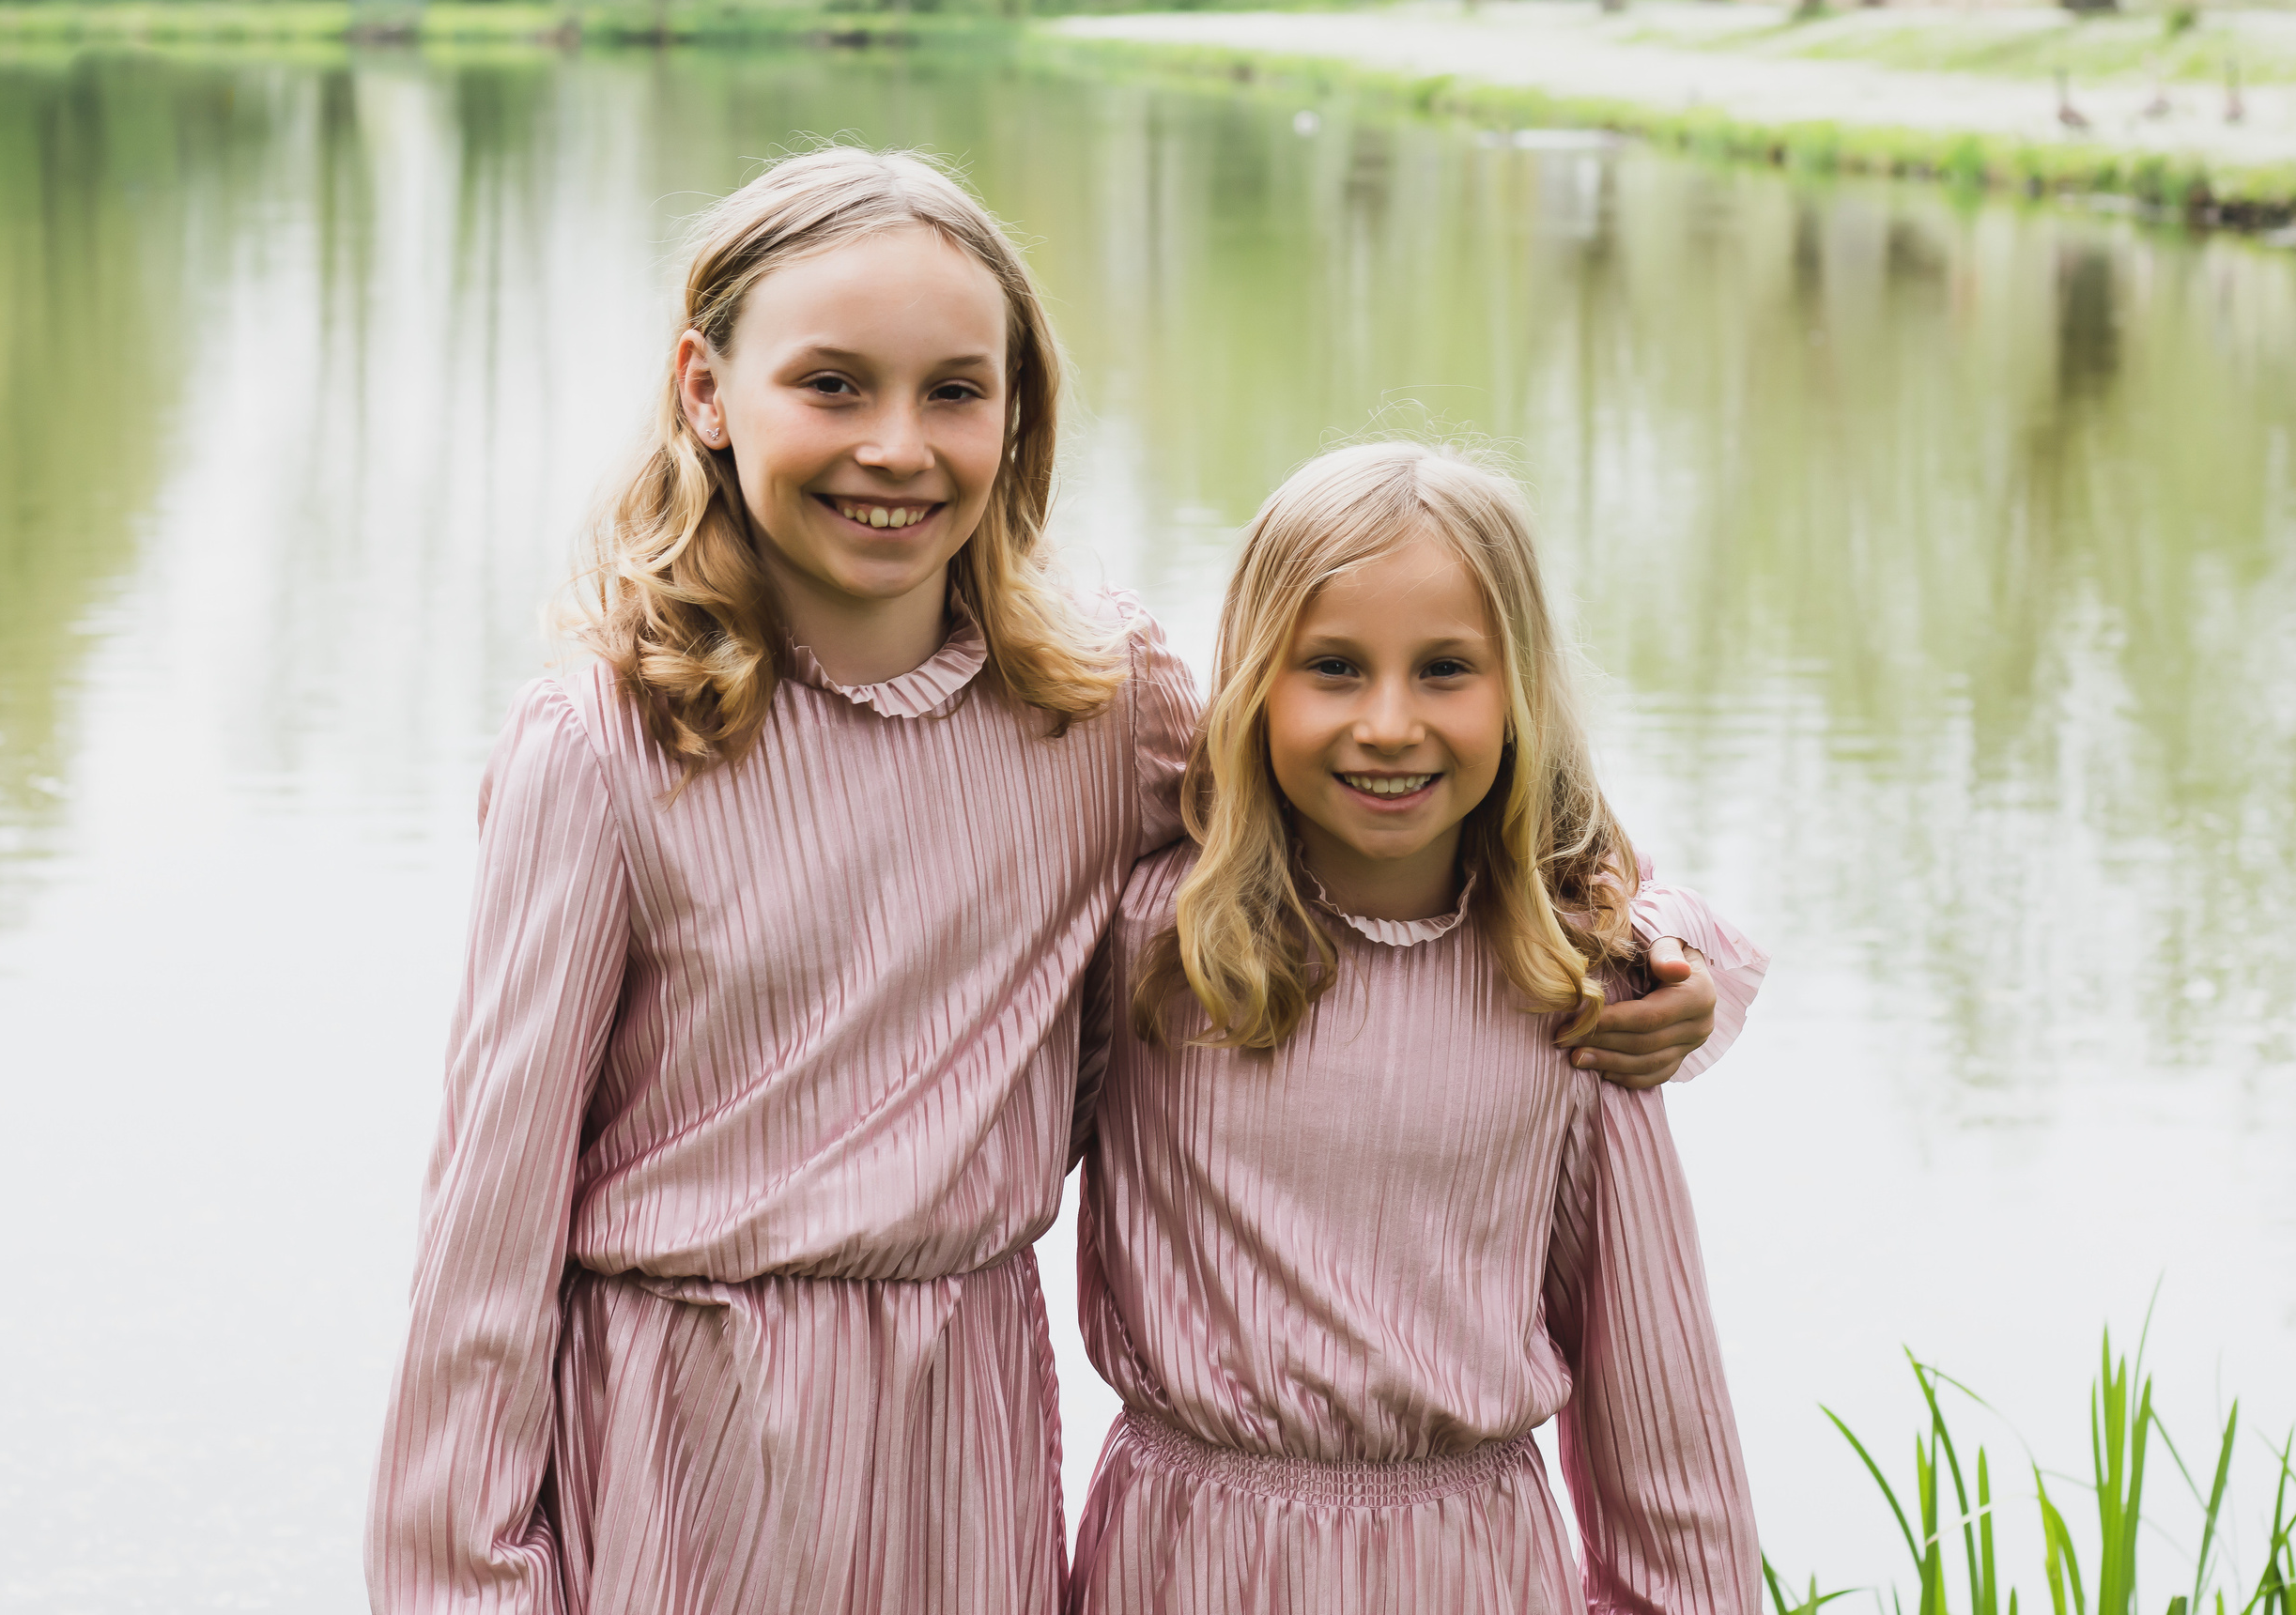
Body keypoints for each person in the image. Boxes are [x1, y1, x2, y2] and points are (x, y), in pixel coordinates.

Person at [366, 148, 1724, 1615]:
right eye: (832, 386)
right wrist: (465, 1587)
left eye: (954, 391)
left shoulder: (1095, 706)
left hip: (967, 1439)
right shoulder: (602, 748)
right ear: (706, 390)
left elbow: (1414, 826)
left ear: (1018, 413)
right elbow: (485, 1246)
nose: (897, 447)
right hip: (681, 1444)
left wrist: (1666, 948)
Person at [1069, 439, 1766, 1615]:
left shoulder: (1570, 990)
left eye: (1445, 669)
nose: (1388, 724)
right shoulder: (1154, 950)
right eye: (1333, 668)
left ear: (1518, 692)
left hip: (1469, 1567)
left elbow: (1657, 1402)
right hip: (1183, 1561)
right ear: (1253, 684)